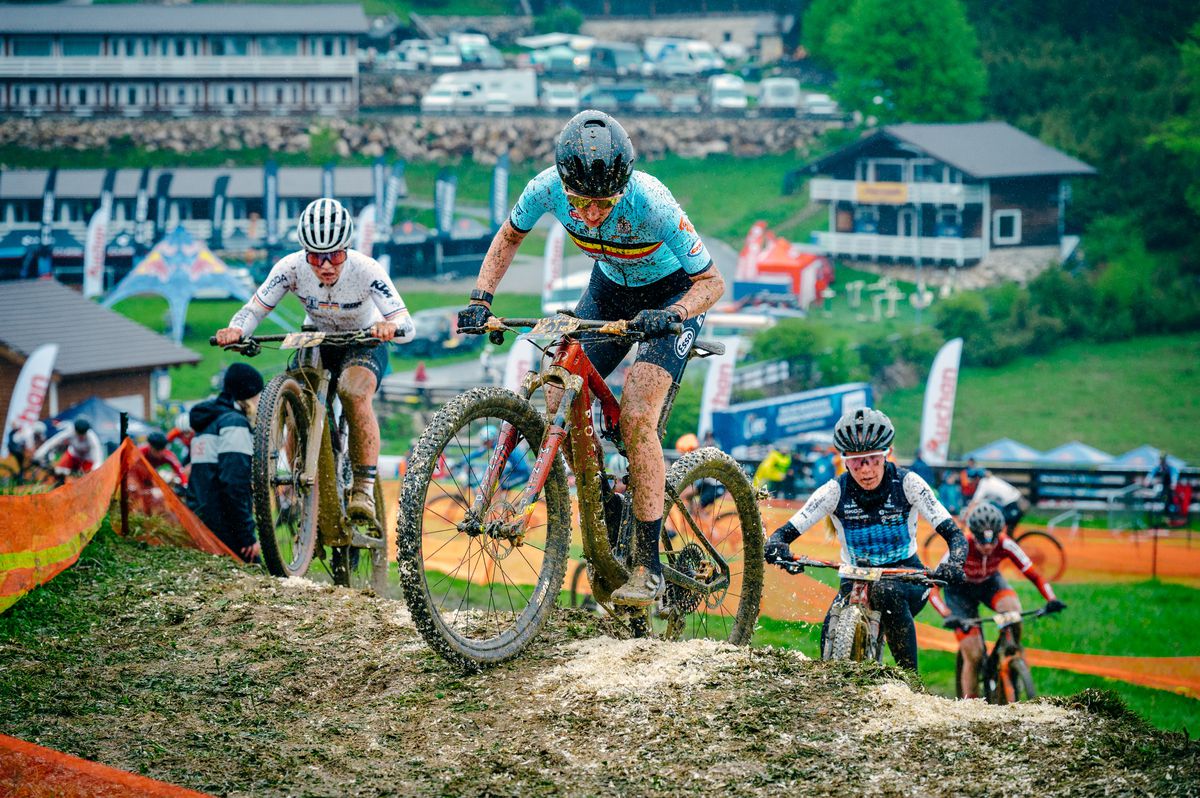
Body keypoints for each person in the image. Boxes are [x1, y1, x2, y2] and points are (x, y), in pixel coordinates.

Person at [456, 110, 724, 606]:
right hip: (608, 289)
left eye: (604, 203)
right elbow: (510, 235)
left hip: (672, 298)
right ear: (564, 186)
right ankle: (603, 501)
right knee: (558, 386)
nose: (593, 214)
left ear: (623, 188)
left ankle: (647, 566)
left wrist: (676, 314)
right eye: (581, 203)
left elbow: (712, 282)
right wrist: (481, 298)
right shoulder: (544, 187)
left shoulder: (654, 201)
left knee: (639, 418)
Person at [215, 197, 415, 522]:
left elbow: (407, 325)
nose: (325, 265)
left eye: (334, 255)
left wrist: (389, 326)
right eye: (315, 257)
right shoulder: (290, 268)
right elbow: (255, 308)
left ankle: (363, 486)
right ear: (304, 253)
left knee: (352, 391)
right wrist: (236, 329)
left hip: (363, 340)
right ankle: (297, 484)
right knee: (298, 402)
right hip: (317, 338)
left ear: (347, 250)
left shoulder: (367, 270)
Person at [763, 408, 967, 672]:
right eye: (857, 461)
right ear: (844, 460)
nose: (866, 470)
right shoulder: (834, 491)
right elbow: (785, 532)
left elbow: (955, 534)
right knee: (828, 634)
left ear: (887, 454)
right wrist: (777, 546)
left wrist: (956, 562)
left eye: (873, 459)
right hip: (855, 578)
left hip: (906, 576)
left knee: (886, 593)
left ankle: (912, 684)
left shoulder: (909, 484)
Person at [930, 502, 1066, 698]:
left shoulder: (1006, 543)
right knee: (974, 654)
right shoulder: (961, 546)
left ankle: (1012, 654)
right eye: (981, 542)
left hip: (989, 583)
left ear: (999, 533)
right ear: (972, 534)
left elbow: (1034, 575)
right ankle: (971, 708)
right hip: (960, 592)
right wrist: (947, 614)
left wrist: (1051, 599)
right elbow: (934, 585)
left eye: (992, 542)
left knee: (1013, 610)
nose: (987, 547)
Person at [189, 363, 264, 562]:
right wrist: (246, 535)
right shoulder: (234, 424)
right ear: (248, 395)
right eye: (259, 395)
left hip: (199, 522)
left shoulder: (207, 423)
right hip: (224, 526)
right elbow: (234, 482)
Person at [34, 417, 104, 479]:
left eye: (83, 435)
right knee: (58, 471)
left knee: (87, 478)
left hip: (87, 459)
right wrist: (39, 454)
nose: (81, 437)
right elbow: (53, 442)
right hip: (73, 455)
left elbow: (98, 459)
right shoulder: (70, 432)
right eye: (79, 434)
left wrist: (95, 472)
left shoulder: (92, 439)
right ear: (75, 431)